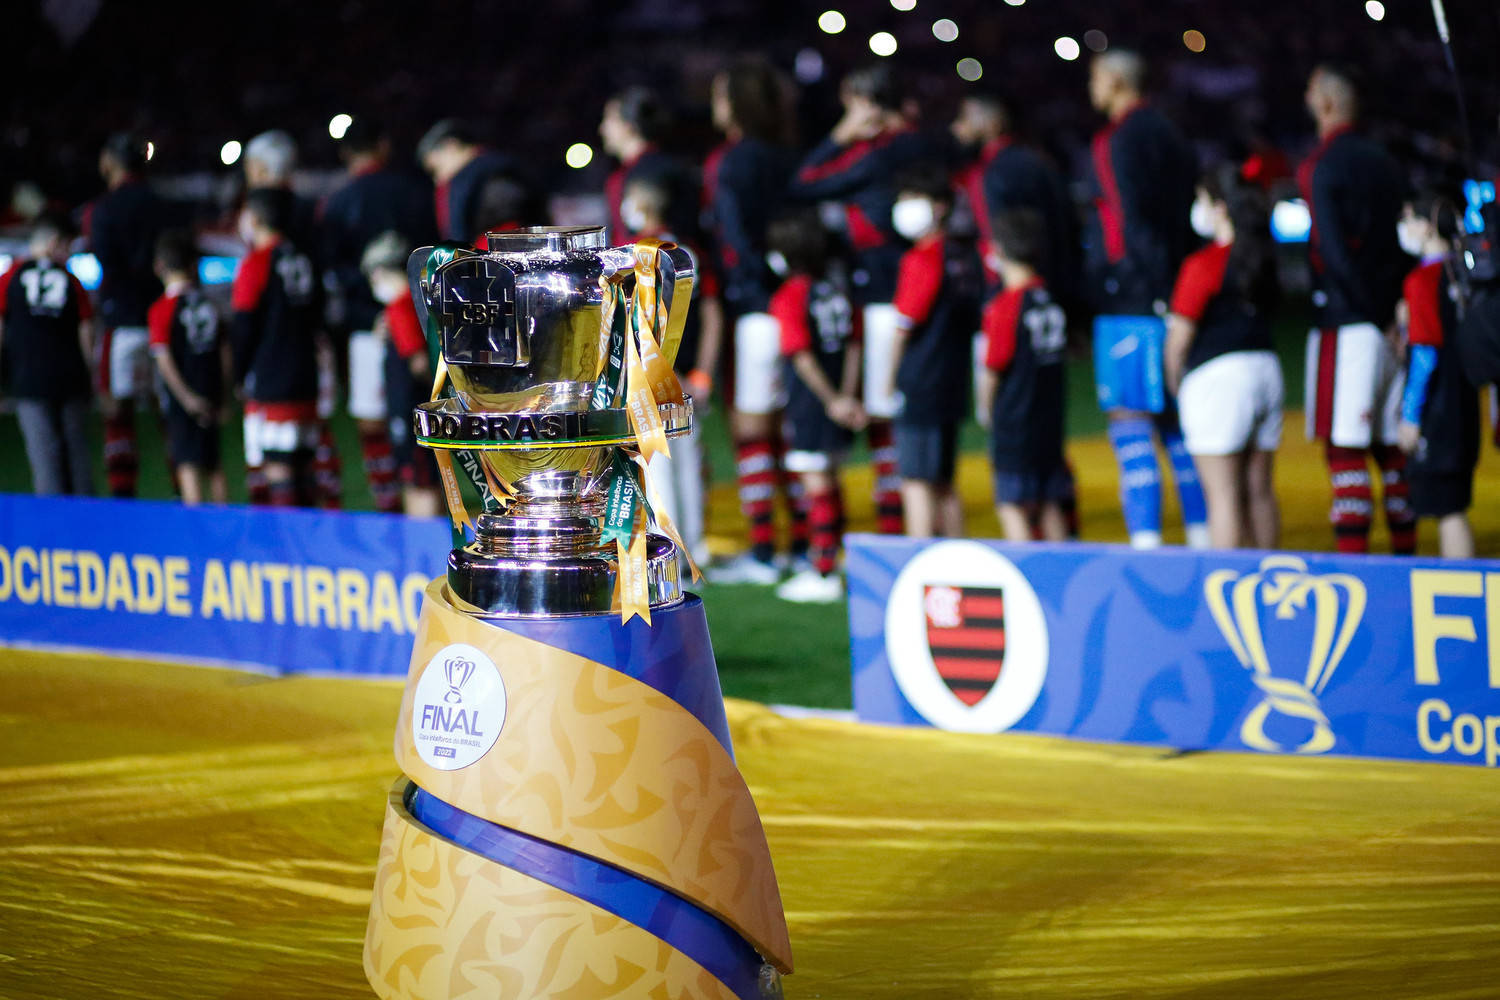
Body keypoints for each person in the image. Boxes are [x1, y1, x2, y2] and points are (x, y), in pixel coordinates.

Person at [788, 64, 934, 536]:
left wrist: (838, 136)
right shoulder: (920, 145)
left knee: (885, 418)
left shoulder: (876, 157)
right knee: (907, 416)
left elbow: (804, 183)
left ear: (868, 104)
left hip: (884, 299)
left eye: (851, 103)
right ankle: (905, 525)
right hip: (919, 293)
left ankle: (898, 530)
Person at [1085, 49, 1208, 549]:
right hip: (1177, 293)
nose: (1089, 88)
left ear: (1115, 81)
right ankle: (1204, 539)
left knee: (1130, 422)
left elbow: (1131, 221)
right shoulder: (1172, 132)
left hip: (1135, 302)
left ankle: (1147, 548)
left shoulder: (1119, 138)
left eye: (1094, 77)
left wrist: (1143, 288)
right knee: (1179, 430)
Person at [1299, 63, 1415, 555]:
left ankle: (1355, 571)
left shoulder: (1321, 164)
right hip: (1392, 324)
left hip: (1348, 324)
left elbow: (1332, 253)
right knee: (1391, 451)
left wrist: (1369, 313)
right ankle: (1405, 560)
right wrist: (1393, 315)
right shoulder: (1386, 162)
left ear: (1325, 104)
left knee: (1345, 449)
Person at [703, 58, 806, 586]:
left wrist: (753, 290)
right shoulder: (790, 154)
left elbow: (736, 238)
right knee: (792, 432)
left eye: (722, 96)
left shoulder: (733, 161)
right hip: (796, 301)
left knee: (752, 430)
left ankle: (766, 550)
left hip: (755, 310)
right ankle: (807, 544)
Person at [1164, 165, 1283, 550]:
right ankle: (1271, 575)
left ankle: (1227, 590)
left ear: (1219, 208)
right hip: (1266, 369)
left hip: (1218, 378)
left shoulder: (1204, 264)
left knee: (1224, 497)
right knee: (1260, 491)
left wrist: (1174, 380)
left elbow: (1179, 338)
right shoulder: (1262, 258)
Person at [320, 117, 435, 514]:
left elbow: (333, 272)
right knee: (419, 420)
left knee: (373, 421)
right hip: (419, 325)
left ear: (345, 153)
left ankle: (389, 507)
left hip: (366, 326)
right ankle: (420, 497)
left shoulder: (337, 202)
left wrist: (371, 308)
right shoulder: (416, 192)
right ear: (382, 147)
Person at [621, 174, 724, 567]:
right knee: (689, 464)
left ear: (642, 205)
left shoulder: (637, 255)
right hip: (690, 375)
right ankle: (695, 549)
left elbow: (641, 322)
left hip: (652, 375)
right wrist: (702, 372)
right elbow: (712, 312)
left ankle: (668, 555)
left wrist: (668, 373)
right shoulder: (689, 252)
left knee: (658, 465)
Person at [767, 211, 865, 603]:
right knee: (832, 480)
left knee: (816, 485)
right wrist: (847, 395)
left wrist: (831, 399)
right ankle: (833, 562)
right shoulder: (835, 290)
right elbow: (855, 344)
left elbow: (800, 355)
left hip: (812, 404)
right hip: (839, 397)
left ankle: (822, 570)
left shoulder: (790, 295)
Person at [243, 129, 341, 508]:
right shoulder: (306, 209)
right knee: (308, 434)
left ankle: (284, 531)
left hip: (275, 343)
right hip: (306, 338)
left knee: (278, 447)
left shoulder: (270, 215)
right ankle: (320, 515)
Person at [887, 165, 982, 538]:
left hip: (921, 382)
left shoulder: (921, 260)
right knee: (943, 481)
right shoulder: (963, 255)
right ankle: (956, 560)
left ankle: (920, 564)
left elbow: (904, 326)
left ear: (940, 206)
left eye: (913, 199)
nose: (904, 207)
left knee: (916, 481)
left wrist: (888, 379)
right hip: (952, 380)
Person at [978, 209, 1070, 542]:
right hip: (1048, 421)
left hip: (1015, 422)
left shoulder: (1006, 306)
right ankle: (1061, 578)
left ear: (998, 250)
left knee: (1012, 505)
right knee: (1049, 503)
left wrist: (986, 412)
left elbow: (992, 369)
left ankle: (1024, 578)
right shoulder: (1048, 298)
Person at [1396, 191, 1479, 559]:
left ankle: (1462, 599)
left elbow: (1425, 355)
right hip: (1466, 403)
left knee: (1448, 514)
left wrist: (1410, 416)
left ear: (1427, 226)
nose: (1404, 228)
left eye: (1409, 219)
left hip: (1440, 411)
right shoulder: (1467, 273)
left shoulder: (1422, 280)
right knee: (1455, 506)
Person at [231, 189, 325, 507]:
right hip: (305, 373)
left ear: (254, 218)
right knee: (304, 468)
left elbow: (244, 327)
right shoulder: (304, 257)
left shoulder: (256, 262)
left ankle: (284, 551)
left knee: (278, 470)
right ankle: (307, 543)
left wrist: (237, 374)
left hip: (270, 376)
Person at [88, 132, 167, 498]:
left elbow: (107, 262)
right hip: (161, 320)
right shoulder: (161, 204)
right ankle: (184, 491)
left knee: (116, 412)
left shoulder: (102, 209)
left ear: (112, 162)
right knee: (167, 411)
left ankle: (123, 497)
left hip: (121, 320)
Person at [0, 215, 97, 496]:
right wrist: (90, 372)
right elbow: (86, 330)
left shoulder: (9, 278)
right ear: (54, 243)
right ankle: (88, 525)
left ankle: (52, 529)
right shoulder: (71, 280)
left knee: (44, 456)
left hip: (28, 378)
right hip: (70, 376)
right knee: (77, 453)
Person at [148, 229, 230, 506]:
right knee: (214, 463)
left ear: (159, 266)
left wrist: (186, 398)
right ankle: (224, 528)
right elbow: (224, 352)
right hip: (211, 390)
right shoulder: (210, 305)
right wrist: (224, 391)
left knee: (188, 464)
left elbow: (164, 360)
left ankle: (197, 538)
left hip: (184, 400)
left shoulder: (162, 309)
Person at [362, 233, 440, 518]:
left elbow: (418, 363)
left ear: (380, 272)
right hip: (424, 409)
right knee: (425, 475)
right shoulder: (419, 301)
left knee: (417, 479)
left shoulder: (399, 307)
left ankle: (421, 543)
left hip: (410, 408)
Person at [599, 87, 701, 246]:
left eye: (609, 119)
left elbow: (651, 237)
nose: (603, 129)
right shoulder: (670, 166)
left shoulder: (646, 174)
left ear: (629, 125)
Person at [417, 118, 541, 245]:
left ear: (451, 146)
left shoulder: (484, 179)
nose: (438, 180)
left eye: (435, 169)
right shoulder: (505, 167)